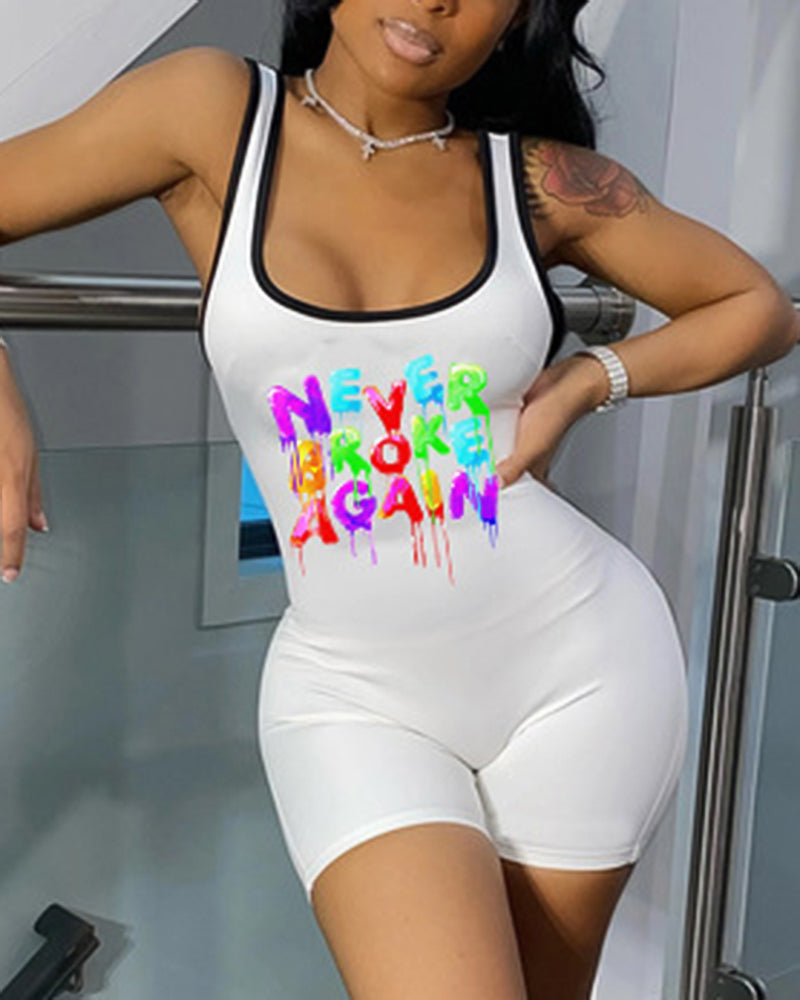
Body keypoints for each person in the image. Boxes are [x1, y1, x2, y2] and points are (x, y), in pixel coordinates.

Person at [1, 0, 798, 994]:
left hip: (581, 671)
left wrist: (586, 381)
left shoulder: (534, 181)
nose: (431, 1)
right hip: (352, 691)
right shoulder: (209, 111)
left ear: (515, 18)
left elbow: (758, 307)